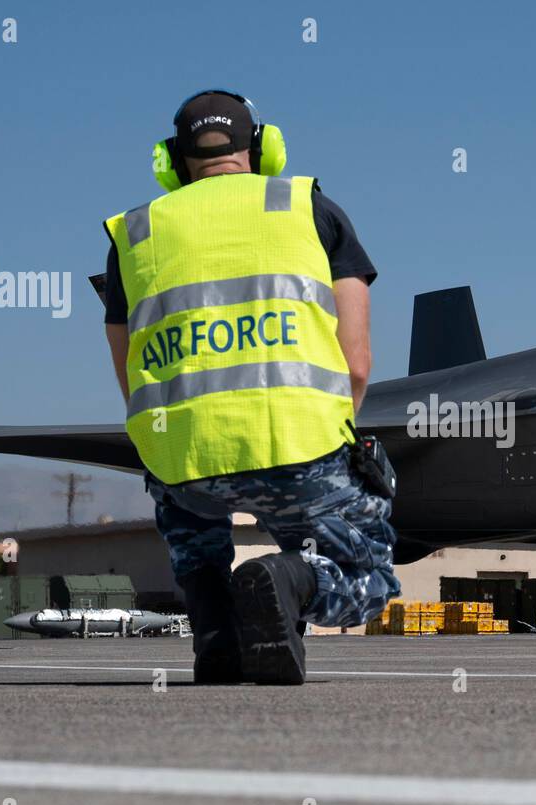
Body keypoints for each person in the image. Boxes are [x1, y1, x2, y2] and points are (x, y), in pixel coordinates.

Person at [102, 90, 400, 685]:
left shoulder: (134, 234)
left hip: (183, 459)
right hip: (297, 443)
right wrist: (335, 439)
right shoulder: (310, 210)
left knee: (193, 534)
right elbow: (357, 363)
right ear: (262, 147)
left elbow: (129, 370)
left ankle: (218, 639)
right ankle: (290, 580)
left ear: (171, 159)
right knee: (367, 575)